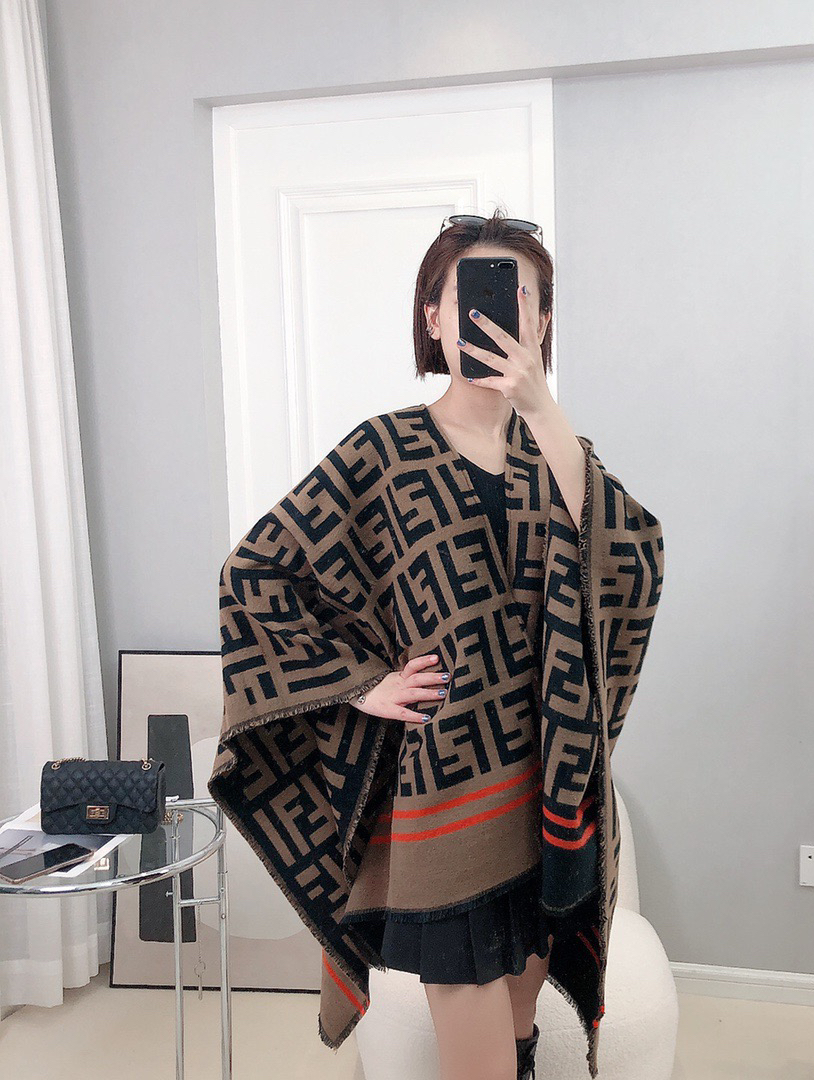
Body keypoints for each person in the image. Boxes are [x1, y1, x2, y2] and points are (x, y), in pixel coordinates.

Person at [210, 209, 665, 1080]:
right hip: (446, 797)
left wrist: (539, 402)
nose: (494, 316)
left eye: (518, 299)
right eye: (470, 298)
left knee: (520, 1025)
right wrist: (361, 683)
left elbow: (628, 556)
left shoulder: (557, 452)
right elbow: (256, 574)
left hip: (551, 790)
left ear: (542, 319)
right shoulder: (383, 453)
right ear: (434, 315)